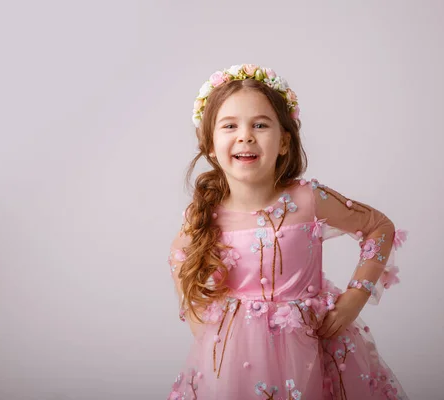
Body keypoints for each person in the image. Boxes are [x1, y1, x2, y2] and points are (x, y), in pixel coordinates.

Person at [166, 64, 410, 399]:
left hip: (313, 346)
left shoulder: (309, 200)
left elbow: (378, 227)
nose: (245, 135)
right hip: (237, 358)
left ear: (283, 141)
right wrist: (203, 325)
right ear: (209, 144)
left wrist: (355, 297)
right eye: (230, 126)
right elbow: (179, 258)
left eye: (260, 124)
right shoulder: (206, 212)